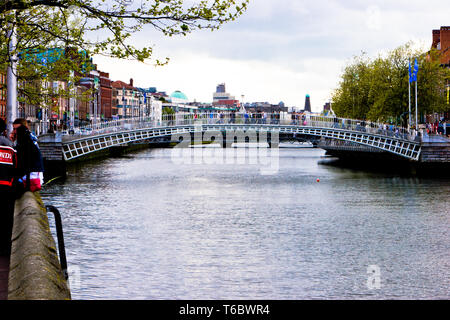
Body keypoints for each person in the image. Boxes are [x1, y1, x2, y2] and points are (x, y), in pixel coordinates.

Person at [0, 119, 16, 255]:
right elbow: (16, 167)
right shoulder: (10, 146)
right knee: (6, 219)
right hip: (7, 188)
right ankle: (5, 248)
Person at [14, 124, 44, 193]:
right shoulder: (32, 143)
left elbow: (24, 165)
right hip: (38, 177)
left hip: (31, 179)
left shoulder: (24, 145)